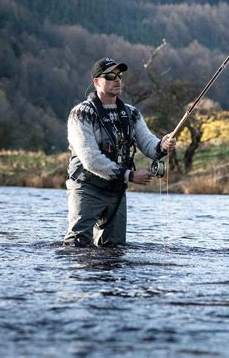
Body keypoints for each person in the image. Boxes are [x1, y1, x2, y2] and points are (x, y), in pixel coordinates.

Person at [64, 57, 176, 247]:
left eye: (119, 76)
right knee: (77, 245)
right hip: (86, 187)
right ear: (96, 82)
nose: (116, 80)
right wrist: (129, 175)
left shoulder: (131, 113)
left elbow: (148, 143)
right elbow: (90, 159)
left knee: (114, 248)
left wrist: (162, 146)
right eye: (110, 76)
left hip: (116, 190)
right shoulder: (81, 114)